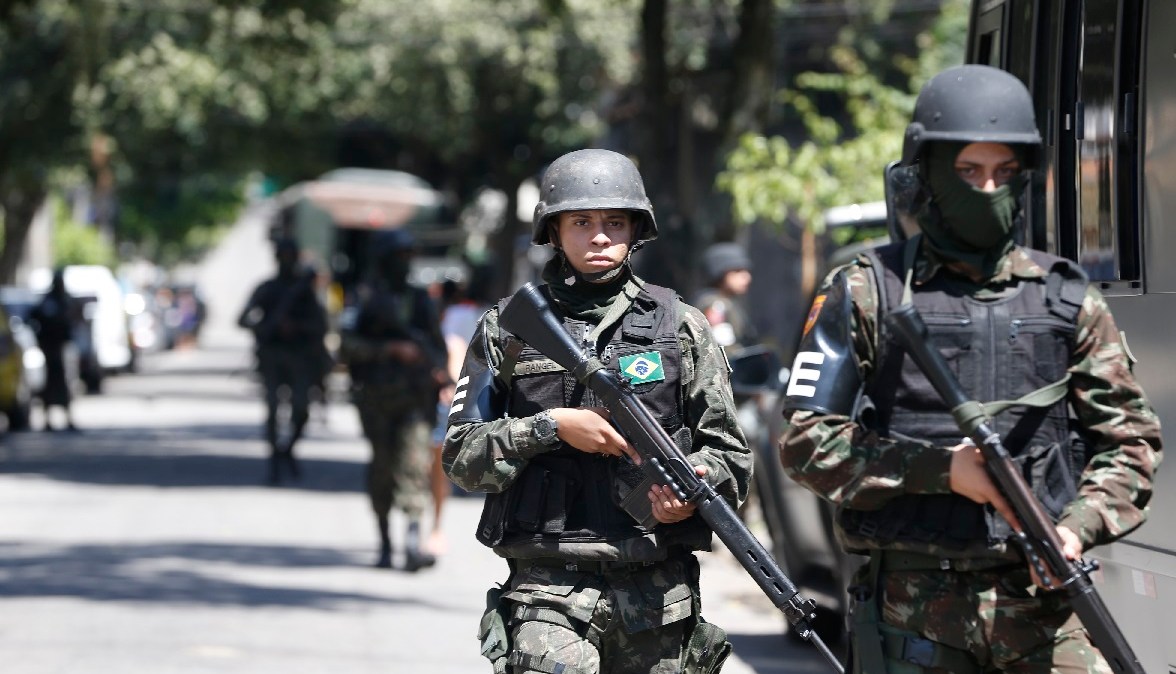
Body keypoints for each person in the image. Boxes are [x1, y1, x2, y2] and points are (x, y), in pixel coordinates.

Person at [779, 64, 1163, 673]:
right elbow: (805, 444)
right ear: (927, 176)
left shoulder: (1067, 299)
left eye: (1004, 173)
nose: (988, 190)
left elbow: (1131, 443)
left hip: (1042, 609)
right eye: (968, 172)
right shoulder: (867, 291)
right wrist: (941, 471)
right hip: (913, 613)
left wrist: (1076, 528)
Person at [443, 148, 752, 674]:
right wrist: (550, 428)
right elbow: (461, 456)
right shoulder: (508, 328)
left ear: (636, 229)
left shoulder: (682, 326)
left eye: (614, 221)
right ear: (555, 230)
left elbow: (730, 457)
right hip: (547, 592)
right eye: (581, 222)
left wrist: (692, 488)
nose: (600, 236)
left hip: (659, 599)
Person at [339, 228, 448, 571]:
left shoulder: (419, 300)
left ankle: (412, 543)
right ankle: (385, 542)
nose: (404, 263)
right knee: (382, 468)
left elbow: (437, 346)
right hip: (376, 398)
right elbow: (345, 347)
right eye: (398, 257)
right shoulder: (364, 297)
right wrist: (389, 349)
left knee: (415, 465)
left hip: (414, 399)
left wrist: (439, 371)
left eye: (407, 256)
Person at [237, 238, 329, 485]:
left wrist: (297, 327)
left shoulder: (305, 292)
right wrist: (266, 327)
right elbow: (243, 318)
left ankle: (286, 451)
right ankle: (275, 462)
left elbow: (321, 325)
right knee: (272, 410)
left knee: (301, 409)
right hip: (273, 357)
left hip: (299, 358)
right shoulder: (267, 288)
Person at [29, 269, 80, 432]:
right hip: (51, 348)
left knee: (66, 383)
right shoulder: (49, 301)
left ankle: (68, 418)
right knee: (50, 384)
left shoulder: (63, 300)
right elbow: (34, 316)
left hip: (62, 347)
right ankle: (48, 419)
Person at [693, 242, 757, 349]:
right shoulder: (715, 305)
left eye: (746, 271)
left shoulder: (726, 301)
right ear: (720, 275)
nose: (747, 277)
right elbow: (724, 349)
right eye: (737, 271)